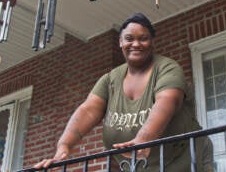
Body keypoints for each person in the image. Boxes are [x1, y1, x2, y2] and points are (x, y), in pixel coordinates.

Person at [34, 13, 213, 171]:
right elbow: (88, 110)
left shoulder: (167, 68)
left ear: (152, 42)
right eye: (129, 38)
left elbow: (168, 101)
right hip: (140, 168)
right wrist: (64, 147)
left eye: (143, 38)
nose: (136, 44)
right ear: (120, 42)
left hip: (188, 163)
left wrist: (144, 138)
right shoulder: (110, 80)